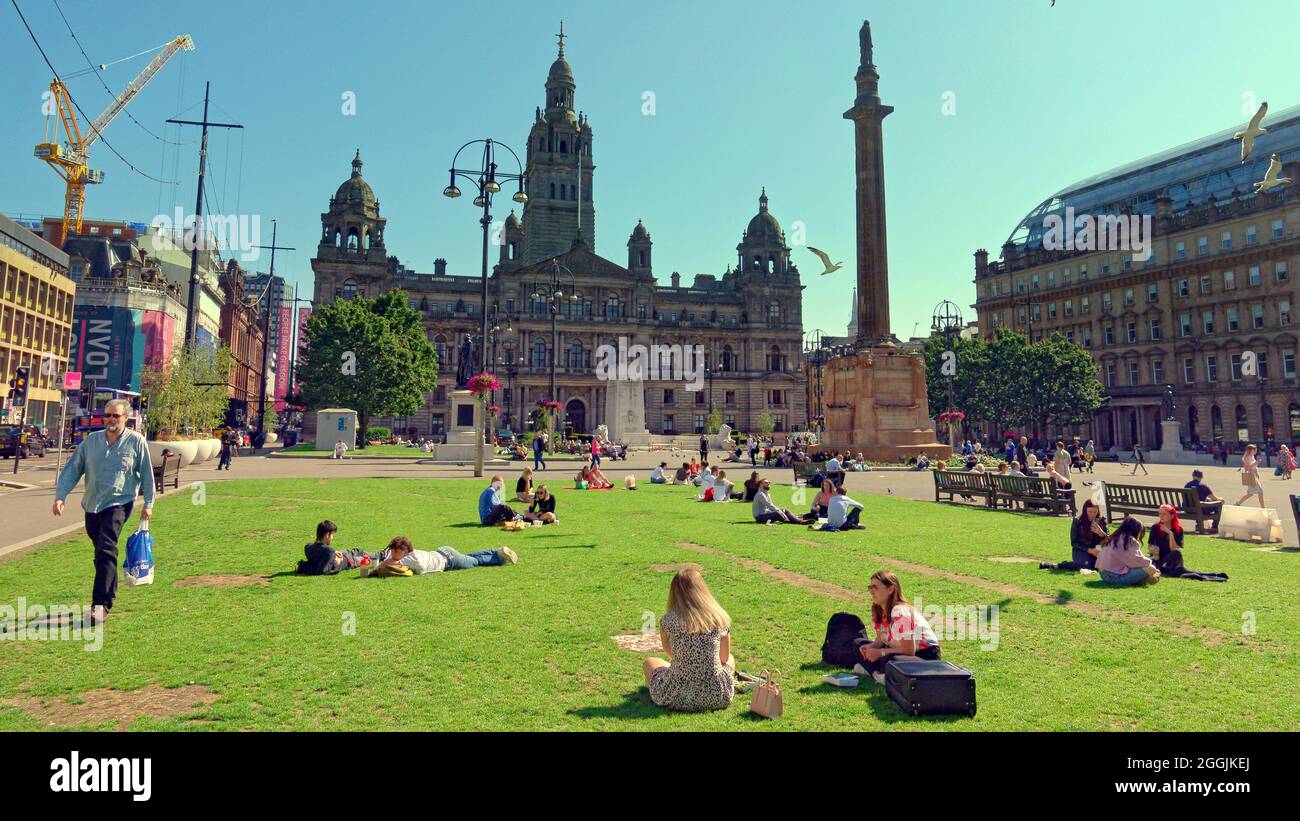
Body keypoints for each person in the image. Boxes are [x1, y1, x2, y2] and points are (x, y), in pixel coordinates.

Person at [53, 398, 155, 625]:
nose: (110, 419)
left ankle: (101, 605)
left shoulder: (136, 441)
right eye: (107, 415)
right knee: (102, 554)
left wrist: (148, 504)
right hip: (92, 505)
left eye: (115, 416)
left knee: (106, 548)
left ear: (125, 419)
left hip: (120, 502)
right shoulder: (91, 442)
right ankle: (108, 586)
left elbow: (147, 475)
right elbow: (73, 470)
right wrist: (60, 496)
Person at [644, 570, 736, 712]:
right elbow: (723, 658)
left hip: (676, 696)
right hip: (717, 696)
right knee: (731, 658)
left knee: (649, 662)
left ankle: (654, 689)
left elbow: (670, 654)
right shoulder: (720, 619)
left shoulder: (668, 620)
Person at [854, 570, 942, 682]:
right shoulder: (878, 609)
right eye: (870, 587)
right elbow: (879, 641)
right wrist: (871, 648)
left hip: (924, 656)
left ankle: (875, 672)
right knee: (858, 643)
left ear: (890, 589)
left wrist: (879, 652)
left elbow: (909, 650)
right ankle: (878, 674)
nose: (871, 591)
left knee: (888, 659)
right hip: (897, 651)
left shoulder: (900, 612)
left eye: (875, 587)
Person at [1148, 505, 1228, 582]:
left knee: (1183, 565)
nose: (1161, 516)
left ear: (1172, 516)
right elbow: (1149, 547)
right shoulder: (1155, 527)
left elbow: (1173, 549)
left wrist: (1170, 534)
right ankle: (1163, 568)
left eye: (1164, 514)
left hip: (1172, 562)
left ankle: (1216, 575)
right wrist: (1155, 552)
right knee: (1178, 557)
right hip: (1158, 562)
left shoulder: (1178, 530)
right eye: (1160, 514)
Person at [374, 536, 517, 575]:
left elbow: (391, 564)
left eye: (395, 552)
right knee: (468, 557)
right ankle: (494, 551)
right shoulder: (404, 555)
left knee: (475, 562)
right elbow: (388, 561)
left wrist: (380, 567)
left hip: (450, 560)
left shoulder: (412, 558)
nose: (392, 555)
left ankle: (498, 556)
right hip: (445, 552)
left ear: (404, 551)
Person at [1040, 500, 1107, 572]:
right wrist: (1090, 550)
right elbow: (1074, 543)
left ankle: (1084, 564)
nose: (1092, 514)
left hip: (1098, 550)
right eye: (1090, 512)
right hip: (1081, 550)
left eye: (1095, 512)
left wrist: (1102, 533)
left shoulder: (1102, 520)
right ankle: (1056, 565)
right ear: (1085, 511)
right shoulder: (1077, 521)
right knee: (1086, 566)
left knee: (1102, 566)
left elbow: (1111, 540)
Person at [297, 520, 379, 575]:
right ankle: (381, 555)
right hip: (348, 561)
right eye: (332, 534)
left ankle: (382, 554)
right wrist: (337, 562)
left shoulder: (308, 547)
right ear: (327, 535)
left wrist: (334, 553)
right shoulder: (329, 551)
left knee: (357, 551)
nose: (332, 537)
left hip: (343, 554)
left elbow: (320, 555)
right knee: (365, 558)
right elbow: (325, 570)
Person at [1096, 516, 1160, 586]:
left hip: (1103, 574)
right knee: (1152, 569)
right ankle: (1143, 580)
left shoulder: (1114, 537)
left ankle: (1142, 580)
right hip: (1114, 577)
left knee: (1148, 570)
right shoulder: (1129, 540)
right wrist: (1151, 563)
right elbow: (1138, 561)